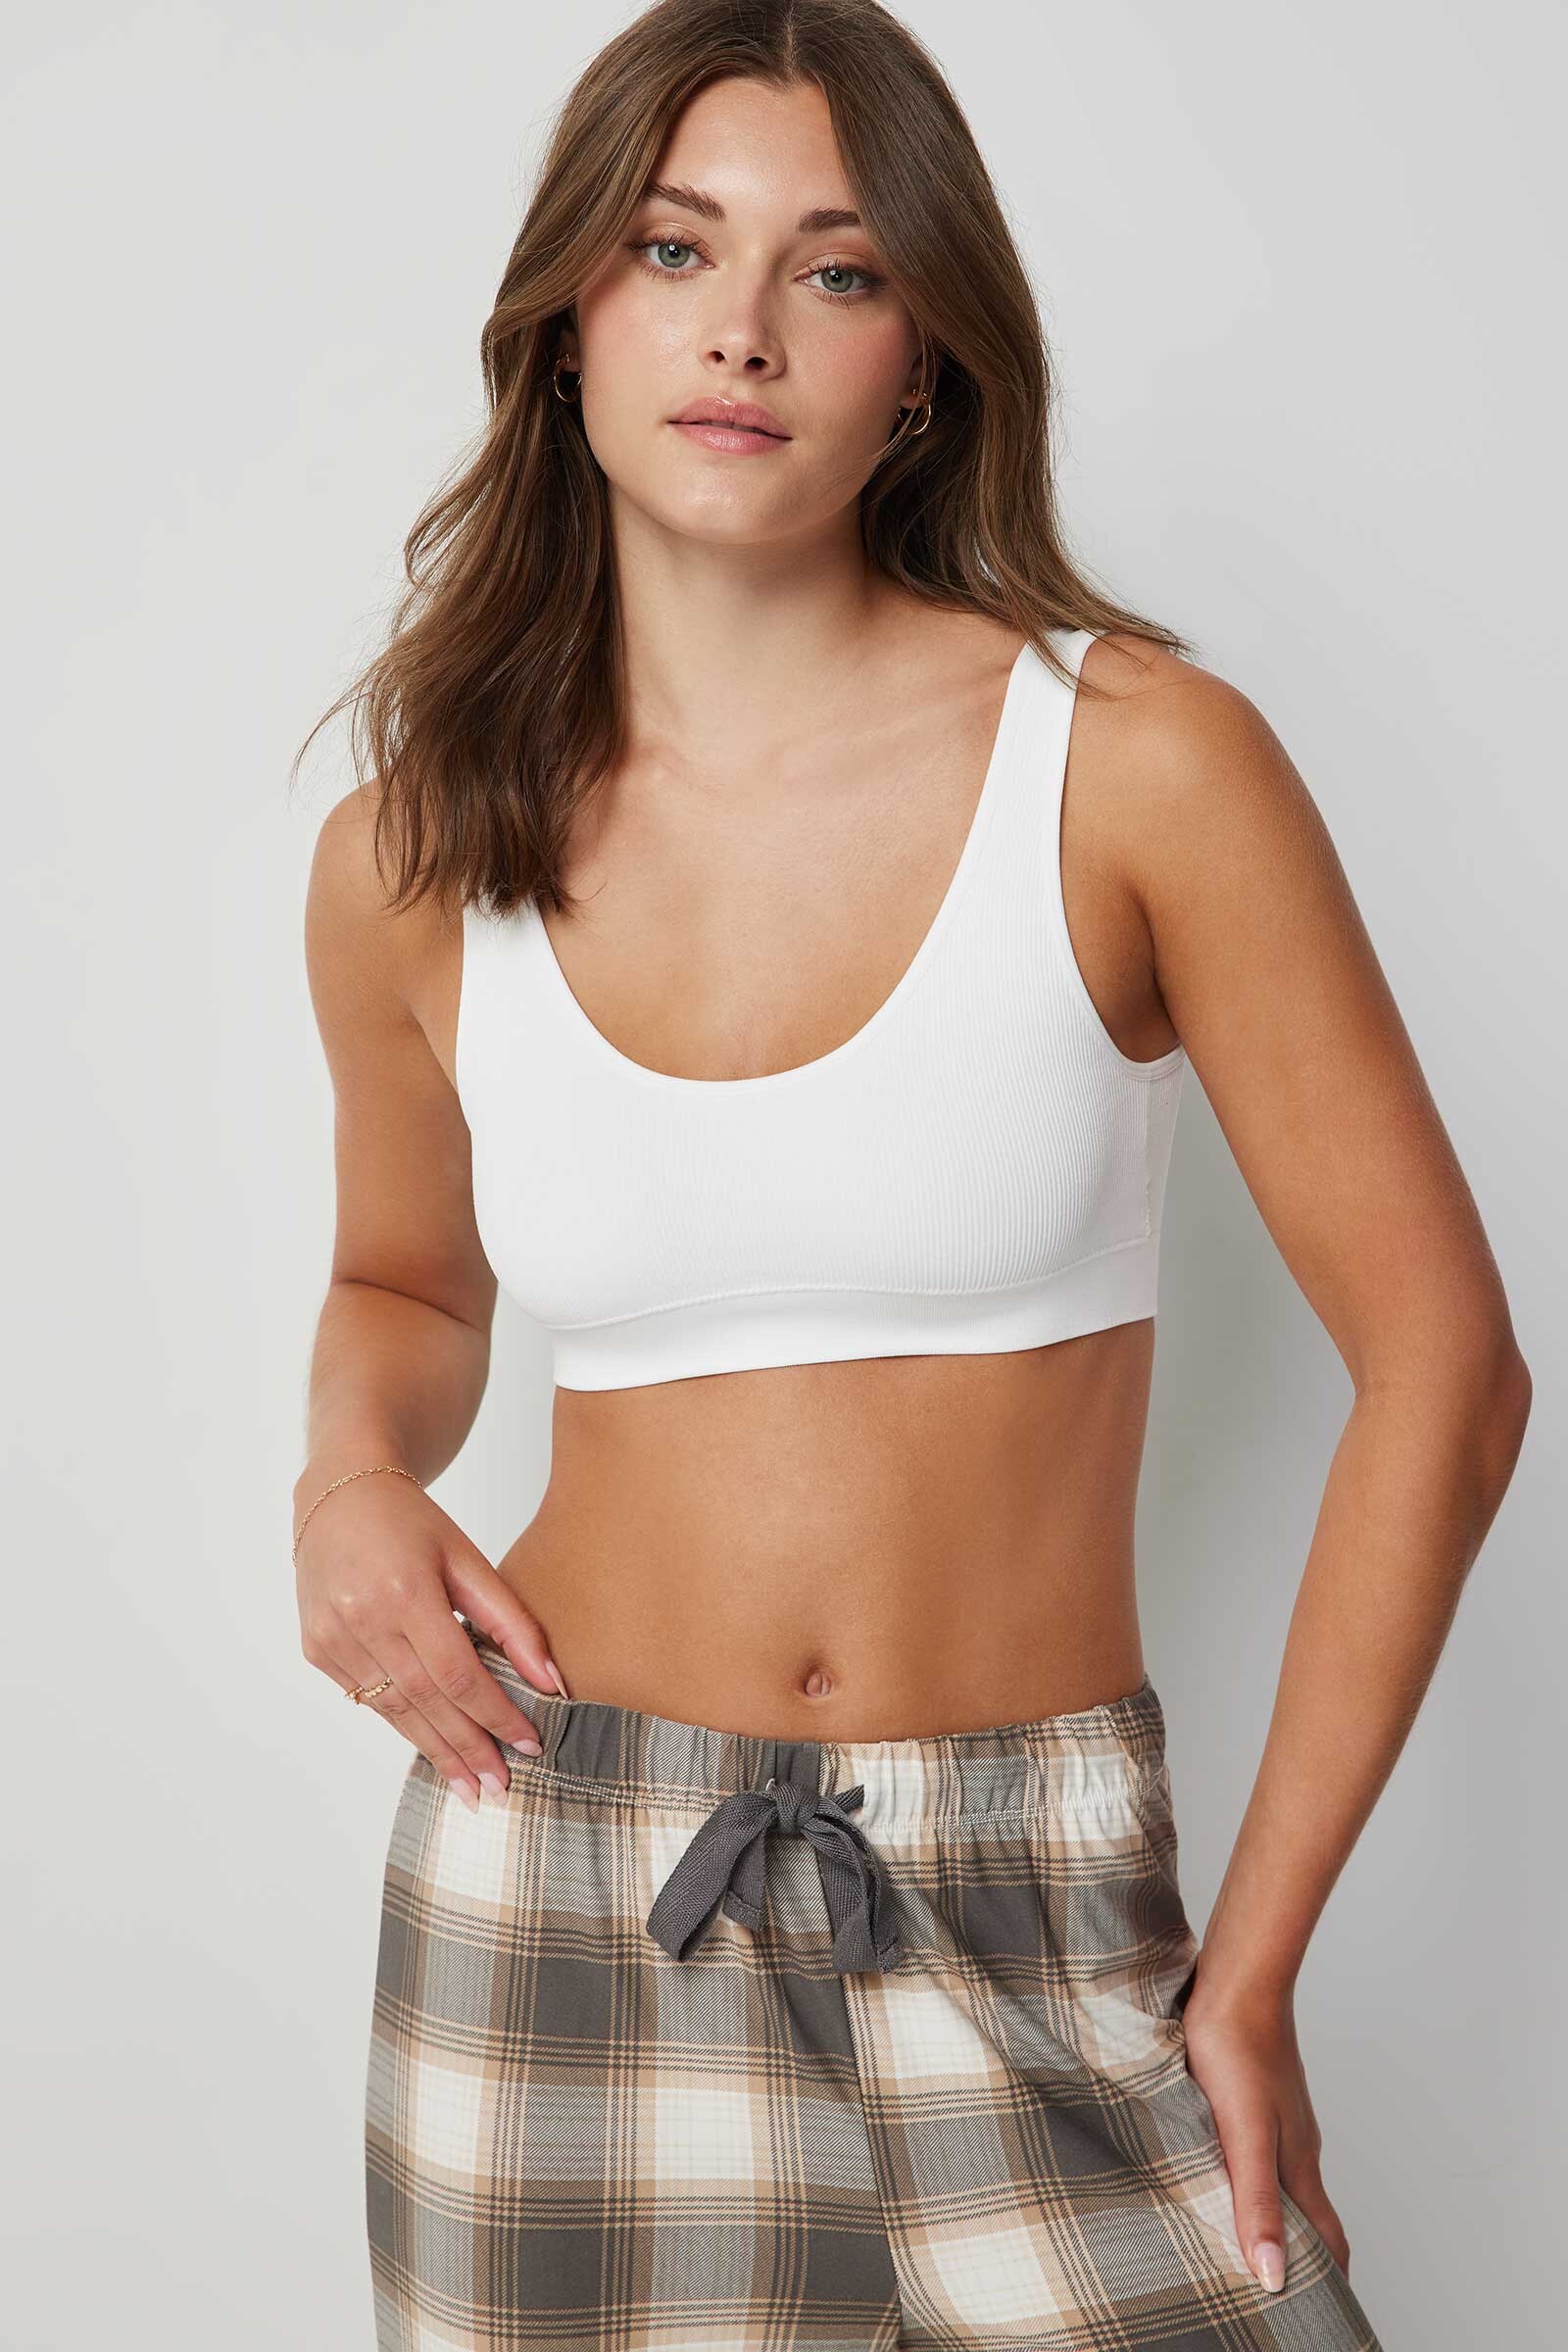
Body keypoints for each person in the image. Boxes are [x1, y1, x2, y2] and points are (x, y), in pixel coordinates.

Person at [290, 4, 1530, 2345]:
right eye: (674, 247)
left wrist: (1250, 1968)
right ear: (568, 318)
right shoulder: (413, 854)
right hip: (560, 1895)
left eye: (837, 269)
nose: (742, 328)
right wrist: (348, 1477)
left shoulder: (1136, 762)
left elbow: (1443, 1372)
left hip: (1031, 1890)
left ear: (926, 360)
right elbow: (407, 1286)